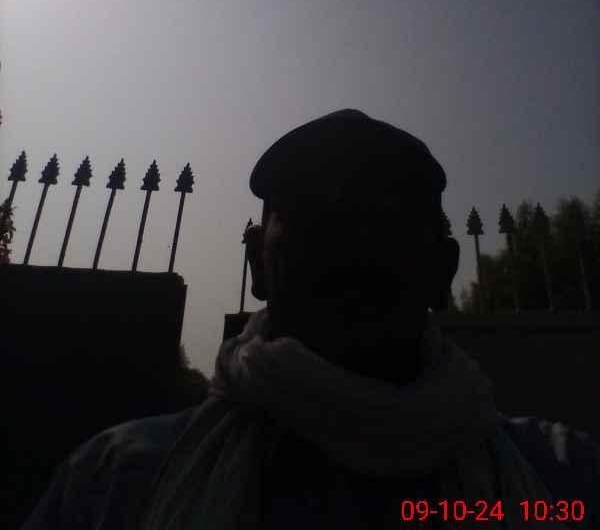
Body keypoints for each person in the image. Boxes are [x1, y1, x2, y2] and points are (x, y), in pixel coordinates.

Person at [23, 109, 599, 529]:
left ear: (442, 270)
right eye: (316, 217)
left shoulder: (567, 477)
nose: (352, 246)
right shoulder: (113, 484)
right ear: (258, 263)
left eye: (386, 219)